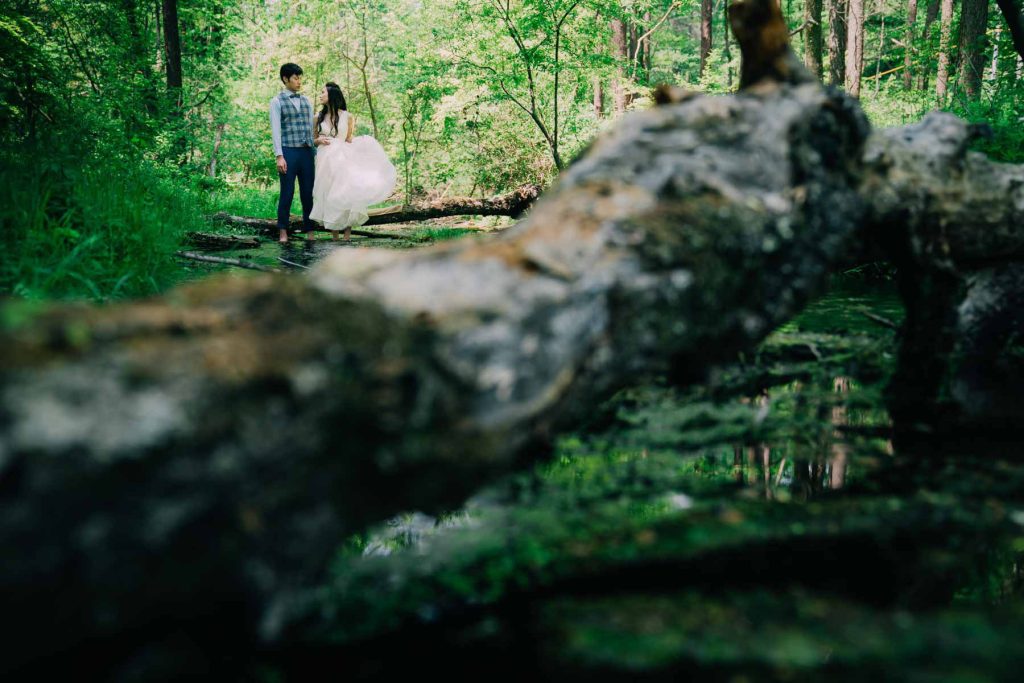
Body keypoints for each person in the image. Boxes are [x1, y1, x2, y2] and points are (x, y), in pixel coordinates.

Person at [310, 82, 397, 241]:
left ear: (332, 95)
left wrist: (365, 147)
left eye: (323, 92)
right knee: (329, 194)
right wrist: (319, 141)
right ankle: (334, 235)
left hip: (343, 159)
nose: (320, 95)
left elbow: (349, 139)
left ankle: (347, 236)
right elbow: (313, 140)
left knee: (346, 194)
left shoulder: (347, 116)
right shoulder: (317, 117)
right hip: (324, 161)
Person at [270, 63, 316, 244]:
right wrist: (279, 155)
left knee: (308, 193)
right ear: (285, 79)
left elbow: (312, 129)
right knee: (287, 193)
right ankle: (283, 231)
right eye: (296, 78)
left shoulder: (306, 101)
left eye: (300, 78)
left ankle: (310, 231)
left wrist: (315, 150)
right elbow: (276, 130)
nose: (299, 81)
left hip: (306, 152)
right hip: (288, 151)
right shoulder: (276, 101)